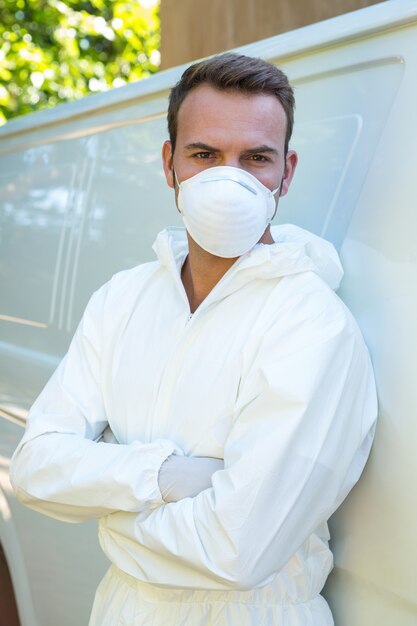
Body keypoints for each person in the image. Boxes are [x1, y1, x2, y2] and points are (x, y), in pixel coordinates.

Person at [10, 52, 377, 626]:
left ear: (287, 171)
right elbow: (35, 468)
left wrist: (105, 505)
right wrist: (166, 476)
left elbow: (238, 552)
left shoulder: (311, 324)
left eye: (255, 158)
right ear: (170, 163)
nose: (228, 179)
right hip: (122, 608)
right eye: (205, 154)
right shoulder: (124, 298)